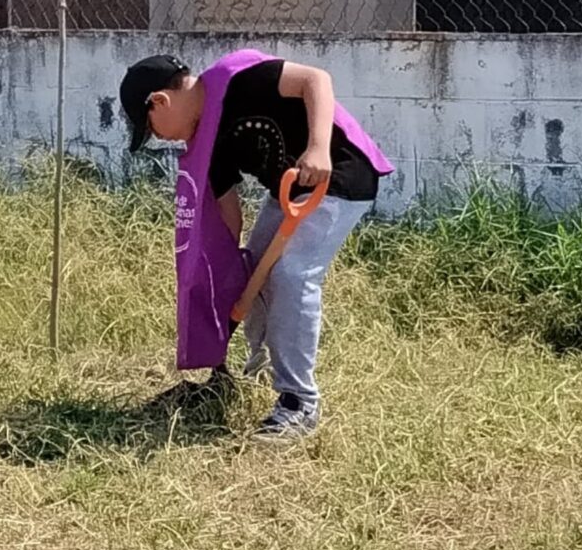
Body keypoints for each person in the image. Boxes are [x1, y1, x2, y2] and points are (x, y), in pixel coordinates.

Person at [119, 51, 393, 440]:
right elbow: (230, 218)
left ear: (159, 102)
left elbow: (316, 79)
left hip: (341, 176)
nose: (160, 138)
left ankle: (299, 402)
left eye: (152, 129)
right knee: (258, 271)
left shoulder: (240, 80)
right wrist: (230, 283)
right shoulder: (205, 143)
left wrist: (318, 147)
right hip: (289, 192)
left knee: (292, 273)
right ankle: (260, 370)